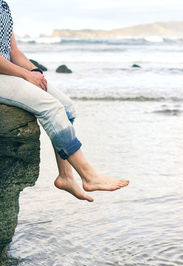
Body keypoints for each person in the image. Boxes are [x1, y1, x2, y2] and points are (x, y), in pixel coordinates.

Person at [0, 0, 129, 202]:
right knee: (50, 107)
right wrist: (25, 76)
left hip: (8, 71)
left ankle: (66, 176)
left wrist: (34, 72)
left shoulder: (3, 6)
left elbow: (13, 51)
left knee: (67, 107)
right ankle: (89, 175)